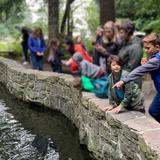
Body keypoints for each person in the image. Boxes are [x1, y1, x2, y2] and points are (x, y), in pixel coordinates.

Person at [113, 33, 160, 122]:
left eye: (148, 48)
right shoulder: (155, 58)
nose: (145, 51)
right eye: (144, 48)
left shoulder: (157, 59)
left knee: (154, 111)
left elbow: (140, 70)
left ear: (157, 47)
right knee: (153, 111)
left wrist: (124, 80)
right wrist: (148, 66)